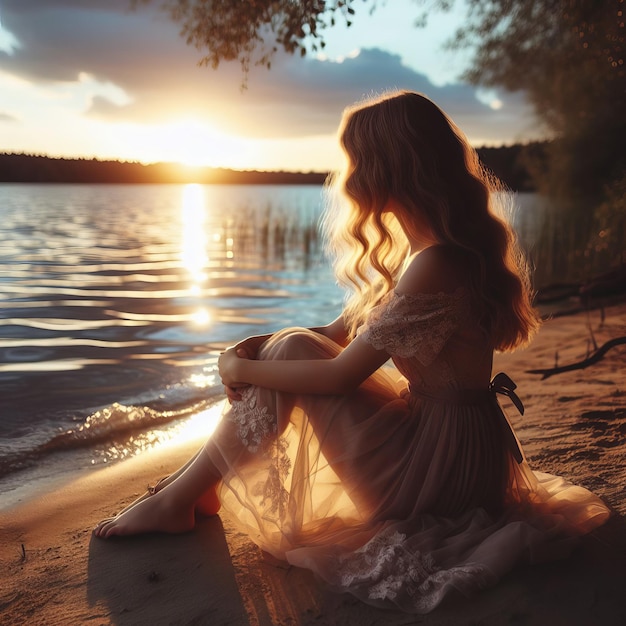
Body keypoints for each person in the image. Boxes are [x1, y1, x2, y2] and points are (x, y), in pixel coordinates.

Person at [94, 90, 610, 613]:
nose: (350, 177)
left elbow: (340, 376)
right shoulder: (428, 252)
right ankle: (193, 492)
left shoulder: (436, 263)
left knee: (292, 349)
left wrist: (236, 367)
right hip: (451, 443)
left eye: (358, 160)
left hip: (439, 470)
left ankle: (182, 499)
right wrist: (255, 346)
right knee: (290, 344)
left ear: (393, 165)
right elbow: (339, 333)